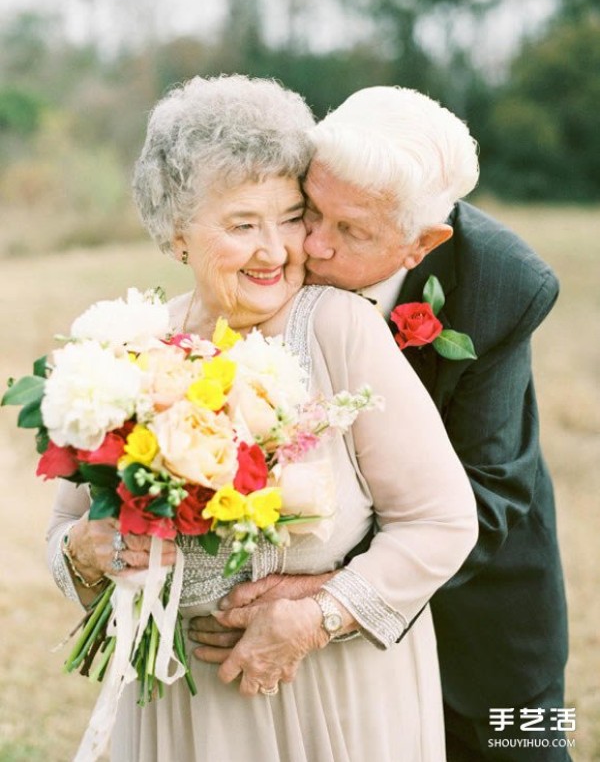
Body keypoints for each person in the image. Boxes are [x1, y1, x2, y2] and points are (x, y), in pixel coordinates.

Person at [46, 75, 478, 762]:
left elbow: (442, 520)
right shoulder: (128, 345)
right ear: (177, 234)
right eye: (244, 224)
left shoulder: (340, 329)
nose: (277, 249)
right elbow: (67, 529)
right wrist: (86, 550)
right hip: (178, 709)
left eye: (291, 215)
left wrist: (315, 617)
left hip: (330, 705)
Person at [191, 87, 570, 761]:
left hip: (484, 607)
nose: (310, 244)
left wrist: (330, 590)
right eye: (312, 209)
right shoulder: (280, 258)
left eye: (351, 231)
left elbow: (490, 491)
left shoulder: (506, 283)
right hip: (339, 670)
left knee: (525, 745)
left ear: (422, 242)